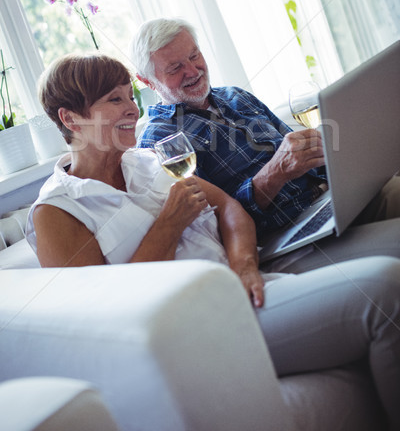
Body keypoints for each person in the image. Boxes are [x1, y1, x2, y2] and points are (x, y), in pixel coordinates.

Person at [25, 52, 400, 429]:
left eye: (129, 96)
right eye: (114, 100)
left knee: (386, 278)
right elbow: (104, 323)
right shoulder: (58, 211)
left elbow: (231, 209)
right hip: (195, 331)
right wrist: (167, 228)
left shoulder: (149, 161)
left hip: (240, 292)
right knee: (385, 287)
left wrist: (244, 266)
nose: (133, 110)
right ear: (70, 118)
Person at [131, 17, 400, 274]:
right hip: (283, 237)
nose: (192, 71)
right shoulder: (159, 142)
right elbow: (213, 227)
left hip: (329, 201)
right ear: (146, 80)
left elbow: (306, 156)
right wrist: (275, 173)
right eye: (175, 68)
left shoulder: (235, 96)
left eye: (194, 56)